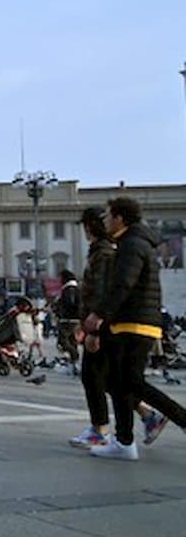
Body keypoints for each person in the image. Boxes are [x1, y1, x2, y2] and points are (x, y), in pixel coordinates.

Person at [84, 196, 186, 460]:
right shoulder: (134, 243)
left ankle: (178, 419)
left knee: (130, 382)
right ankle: (124, 443)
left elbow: (123, 285)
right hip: (133, 322)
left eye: (107, 216)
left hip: (135, 322)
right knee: (120, 384)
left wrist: (99, 315)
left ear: (119, 217)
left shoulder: (131, 245)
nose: (104, 221)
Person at [69, 208, 114, 448]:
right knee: (107, 378)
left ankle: (101, 429)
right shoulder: (101, 251)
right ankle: (147, 414)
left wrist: (92, 329)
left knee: (93, 376)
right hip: (97, 322)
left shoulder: (103, 253)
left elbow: (98, 291)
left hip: (99, 324)